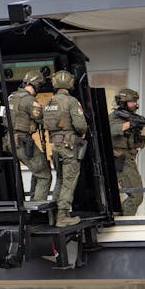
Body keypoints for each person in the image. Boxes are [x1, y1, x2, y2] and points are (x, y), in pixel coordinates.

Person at [109, 87, 145, 216]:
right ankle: (123, 220)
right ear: (123, 102)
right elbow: (110, 130)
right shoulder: (114, 117)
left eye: (135, 101)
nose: (134, 104)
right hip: (120, 159)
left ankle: (121, 218)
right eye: (131, 102)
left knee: (136, 195)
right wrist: (129, 125)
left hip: (128, 160)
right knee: (136, 195)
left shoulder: (135, 118)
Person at [42, 70, 88, 227]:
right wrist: (82, 132)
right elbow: (81, 125)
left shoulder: (49, 102)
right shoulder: (72, 101)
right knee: (69, 180)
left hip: (54, 146)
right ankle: (62, 216)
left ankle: (55, 212)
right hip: (69, 146)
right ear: (70, 83)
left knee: (60, 179)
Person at [3, 70, 52, 202]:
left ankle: (33, 201)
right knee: (45, 176)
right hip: (22, 142)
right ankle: (38, 209)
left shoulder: (12, 97)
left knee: (37, 171)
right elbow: (41, 119)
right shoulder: (29, 100)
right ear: (36, 85)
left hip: (10, 140)